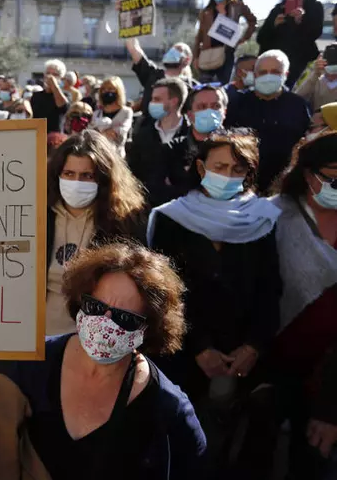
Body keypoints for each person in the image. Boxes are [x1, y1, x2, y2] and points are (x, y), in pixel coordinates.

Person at [0, 242, 205, 479]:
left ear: (149, 329)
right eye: (96, 308)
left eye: (124, 318)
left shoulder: (168, 410)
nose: (104, 324)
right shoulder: (26, 363)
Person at [147, 132, 282, 456]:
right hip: (183, 354)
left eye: (238, 169)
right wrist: (200, 347)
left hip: (244, 358)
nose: (228, 175)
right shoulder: (171, 217)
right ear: (200, 167)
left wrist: (253, 346)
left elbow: (269, 287)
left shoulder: (262, 217)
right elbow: (166, 291)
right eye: (220, 166)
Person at [233, 130, 337, 480]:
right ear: (309, 174)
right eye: (333, 175)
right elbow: (249, 290)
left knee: (312, 461)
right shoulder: (270, 216)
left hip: (330, 374)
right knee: (254, 453)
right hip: (269, 361)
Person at [45, 131, 146, 335]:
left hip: (94, 339)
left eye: (87, 176)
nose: (77, 182)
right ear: (57, 175)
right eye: (69, 174)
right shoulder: (38, 215)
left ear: (104, 179)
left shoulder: (123, 222)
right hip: (37, 336)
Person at [225, 49, 311, 193]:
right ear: (255, 74)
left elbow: (305, 141)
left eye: (275, 72)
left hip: (285, 187)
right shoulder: (237, 103)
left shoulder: (298, 105)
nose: (268, 76)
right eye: (263, 72)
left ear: (286, 75)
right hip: (241, 184)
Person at [128, 77, 193, 207]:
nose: (152, 103)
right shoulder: (143, 134)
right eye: (152, 99)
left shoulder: (192, 134)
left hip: (184, 207)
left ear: (174, 101)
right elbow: (134, 171)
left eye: (157, 99)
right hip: (147, 206)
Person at [257, 0, 324, 88]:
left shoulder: (314, 6)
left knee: (286, 89)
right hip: (272, 58)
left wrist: (299, 22)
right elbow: (261, 37)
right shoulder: (278, 8)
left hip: (297, 59)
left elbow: (315, 33)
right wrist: (274, 25)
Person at [193, 0, 257, 85]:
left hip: (227, 52)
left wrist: (244, 38)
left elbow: (252, 21)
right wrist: (195, 57)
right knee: (204, 84)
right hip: (208, 52)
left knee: (222, 85)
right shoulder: (207, 11)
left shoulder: (237, 6)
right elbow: (199, 36)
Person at [126, 37, 196, 118]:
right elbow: (133, 49)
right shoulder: (152, 74)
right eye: (172, 49)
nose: (172, 52)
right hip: (147, 128)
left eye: (178, 50)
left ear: (187, 60)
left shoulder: (192, 87)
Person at [88, 76, 133, 157]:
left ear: (118, 91)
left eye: (110, 89)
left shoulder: (126, 112)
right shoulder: (96, 113)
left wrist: (100, 132)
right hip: (98, 155)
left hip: (117, 156)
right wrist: (104, 133)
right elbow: (90, 133)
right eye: (103, 89)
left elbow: (122, 131)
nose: (106, 92)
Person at [30, 59, 69, 133]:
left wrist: (54, 84)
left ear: (61, 78)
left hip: (55, 138)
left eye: (54, 74)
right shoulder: (36, 96)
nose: (50, 77)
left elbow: (63, 107)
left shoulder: (65, 95)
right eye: (48, 73)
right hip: (38, 135)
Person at [294, 45, 337, 109]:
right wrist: (315, 74)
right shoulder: (316, 80)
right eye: (328, 68)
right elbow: (296, 100)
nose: (331, 75)